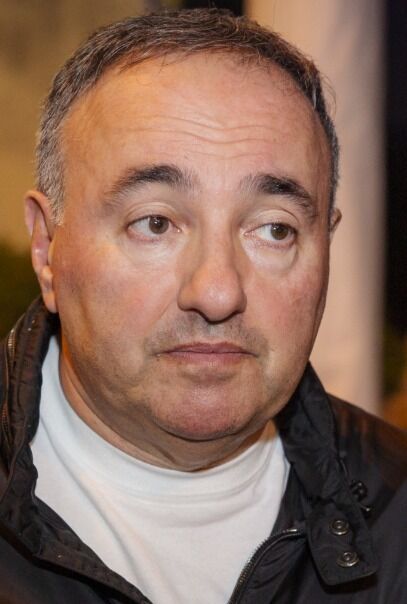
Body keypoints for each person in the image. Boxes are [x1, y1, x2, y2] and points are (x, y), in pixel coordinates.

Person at [0, 8, 405, 604]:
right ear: (46, 248)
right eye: (155, 223)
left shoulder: (397, 514)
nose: (217, 293)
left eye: (274, 230)